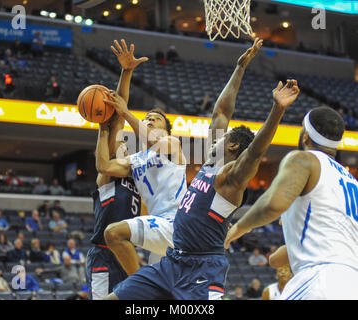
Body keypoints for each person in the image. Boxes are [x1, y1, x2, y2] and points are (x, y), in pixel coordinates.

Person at [106, 38, 299, 300]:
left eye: (223, 136)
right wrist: (239, 68)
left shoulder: (230, 179)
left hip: (202, 269)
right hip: (172, 263)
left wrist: (277, 110)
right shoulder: (210, 163)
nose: (215, 135)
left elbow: (255, 152)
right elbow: (221, 110)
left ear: (231, 145)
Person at [224, 106, 358, 299]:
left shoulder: (304, 159)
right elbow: (328, 240)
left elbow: (272, 204)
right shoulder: (351, 182)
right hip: (351, 282)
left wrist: (234, 232)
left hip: (319, 280)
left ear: (305, 136)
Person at [102, 39, 187, 276]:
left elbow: (148, 136)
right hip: (160, 226)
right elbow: (105, 165)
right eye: (147, 117)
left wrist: (126, 112)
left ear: (167, 130)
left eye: (156, 118)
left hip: (177, 224)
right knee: (166, 294)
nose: (150, 118)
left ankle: (138, 285)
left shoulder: (172, 144)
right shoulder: (136, 159)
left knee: (113, 233)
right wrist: (126, 72)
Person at [85, 53, 144, 299]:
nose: (124, 147)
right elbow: (118, 119)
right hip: (102, 254)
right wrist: (126, 72)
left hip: (126, 252)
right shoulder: (108, 178)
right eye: (120, 146)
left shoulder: (139, 177)